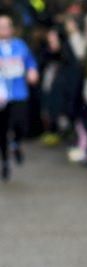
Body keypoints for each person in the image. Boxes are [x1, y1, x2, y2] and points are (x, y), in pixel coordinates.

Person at [0, 11, 38, 181]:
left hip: (18, 92)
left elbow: (30, 62)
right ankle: (5, 161)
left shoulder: (20, 45)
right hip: (1, 94)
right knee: (2, 129)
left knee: (20, 124)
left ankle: (16, 144)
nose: (4, 29)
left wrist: (32, 71)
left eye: (7, 26)